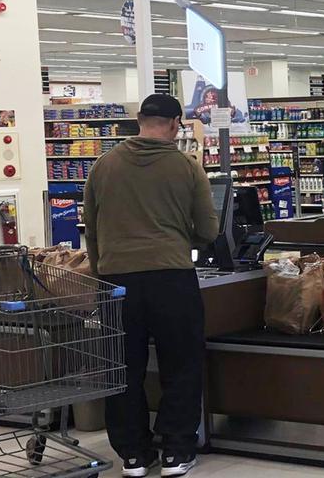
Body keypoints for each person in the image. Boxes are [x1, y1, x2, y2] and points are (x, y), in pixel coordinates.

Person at [83, 94, 219, 478]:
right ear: (176, 124)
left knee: (123, 368)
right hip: (171, 277)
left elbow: (91, 229)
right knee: (182, 363)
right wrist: (178, 239)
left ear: (138, 119)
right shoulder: (186, 167)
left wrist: (104, 270)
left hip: (115, 281)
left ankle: (134, 456)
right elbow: (208, 230)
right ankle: (176, 452)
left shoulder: (103, 166)